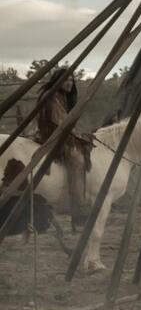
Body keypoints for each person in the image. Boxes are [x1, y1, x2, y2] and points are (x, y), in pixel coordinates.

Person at [30, 67, 90, 220]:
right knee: (77, 158)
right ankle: (79, 205)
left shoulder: (61, 96)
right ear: (58, 80)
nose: (69, 83)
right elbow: (62, 122)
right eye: (66, 80)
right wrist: (79, 135)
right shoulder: (52, 97)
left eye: (71, 80)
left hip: (59, 133)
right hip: (52, 136)